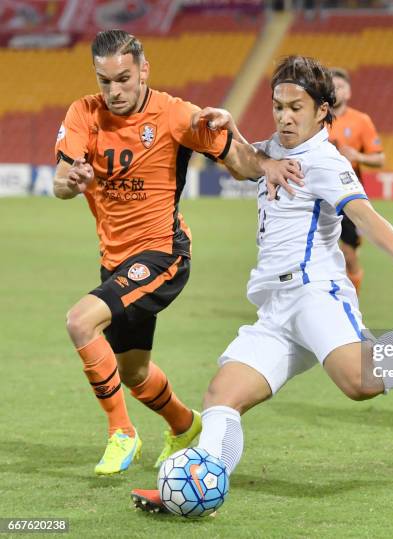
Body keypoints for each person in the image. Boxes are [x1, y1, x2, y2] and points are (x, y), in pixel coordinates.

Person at [130, 55, 393, 511]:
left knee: (361, 381)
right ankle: (192, 491)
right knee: (222, 396)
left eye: (296, 108)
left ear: (323, 110)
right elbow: (246, 163)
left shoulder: (326, 160)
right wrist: (229, 130)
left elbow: (363, 213)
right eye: (278, 106)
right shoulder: (275, 149)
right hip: (275, 308)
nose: (285, 116)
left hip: (314, 293)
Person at [53, 30, 303, 475]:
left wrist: (266, 165)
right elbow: (60, 181)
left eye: (124, 79)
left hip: (162, 255)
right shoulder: (83, 113)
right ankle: (186, 426)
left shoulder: (176, 115)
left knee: (79, 321)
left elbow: (239, 163)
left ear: (144, 70)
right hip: (115, 261)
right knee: (133, 373)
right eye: (105, 80)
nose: (114, 91)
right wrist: (70, 181)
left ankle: (121, 432)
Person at [328, 67, 385, 294]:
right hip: (319, 196)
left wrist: (358, 156)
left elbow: (380, 159)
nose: (335, 90)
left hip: (348, 195)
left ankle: (352, 304)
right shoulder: (314, 119)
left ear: (348, 92)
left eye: (340, 86)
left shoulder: (361, 121)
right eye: (331, 86)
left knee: (349, 255)